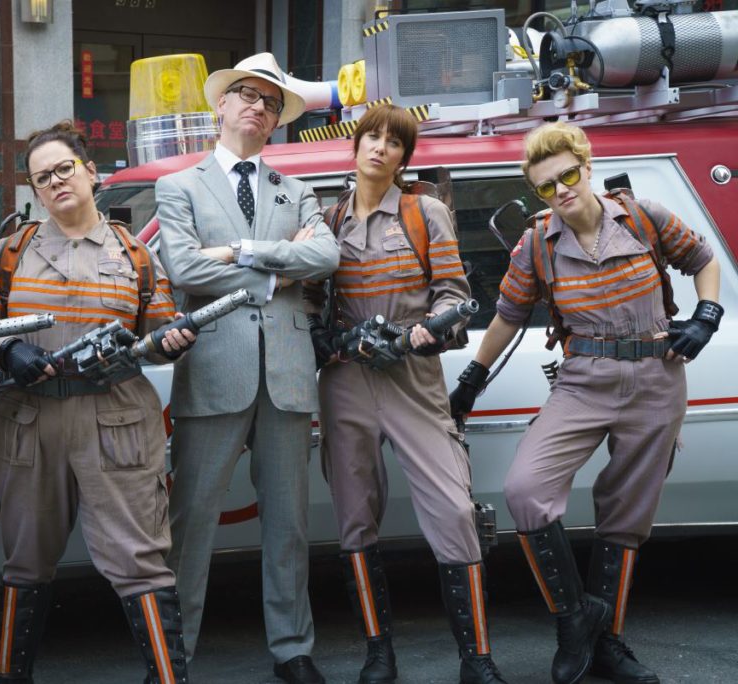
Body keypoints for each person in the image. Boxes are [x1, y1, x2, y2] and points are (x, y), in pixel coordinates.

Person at [448, 122, 722, 684]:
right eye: (547, 186)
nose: (561, 191)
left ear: (586, 165)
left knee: (626, 515)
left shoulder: (642, 216)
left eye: (568, 175)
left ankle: (609, 648)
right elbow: (508, 316)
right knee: (526, 491)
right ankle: (574, 619)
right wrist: (472, 379)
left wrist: (706, 317)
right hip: (582, 381)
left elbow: (703, 260)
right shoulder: (536, 244)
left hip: (656, 377)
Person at [0, 120, 196, 684]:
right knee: (24, 558)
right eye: (41, 178)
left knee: (140, 560)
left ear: (91, 172)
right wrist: (8, 351)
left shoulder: (137, 255)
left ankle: (170, 677)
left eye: (64, 169)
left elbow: (160, 334)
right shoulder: (9, 252)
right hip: (27, 418)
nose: (55, 182)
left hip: (113, 420)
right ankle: (10, 677)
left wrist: (173, 342)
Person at [304, 104, 506, 684]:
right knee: (354, 519)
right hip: (346, 383)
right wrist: (336, 340)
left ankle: (478, 659)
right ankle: (378, 653)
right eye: (372, 137)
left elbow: (452, 294)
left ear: (403, 157)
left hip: (413, 380)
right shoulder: (327, 221)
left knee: (453, 512)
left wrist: (426, 330)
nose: (380, 149)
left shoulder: (426, 212)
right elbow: (313, 306)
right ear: (356, 145)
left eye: (394, 143)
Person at [156, 52, 340, 684]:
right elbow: (183, 268)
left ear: (275, 120)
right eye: (247, 95)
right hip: (211, 370)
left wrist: (242, 250)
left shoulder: (297, 189)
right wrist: (275, 269)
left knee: (290, 524)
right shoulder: (178, 186)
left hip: (287, 374)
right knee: (189, 524)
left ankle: (293, 648)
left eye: (270, 101)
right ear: (221, 105)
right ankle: (172, 653)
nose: (258, 107)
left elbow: (326, 255)